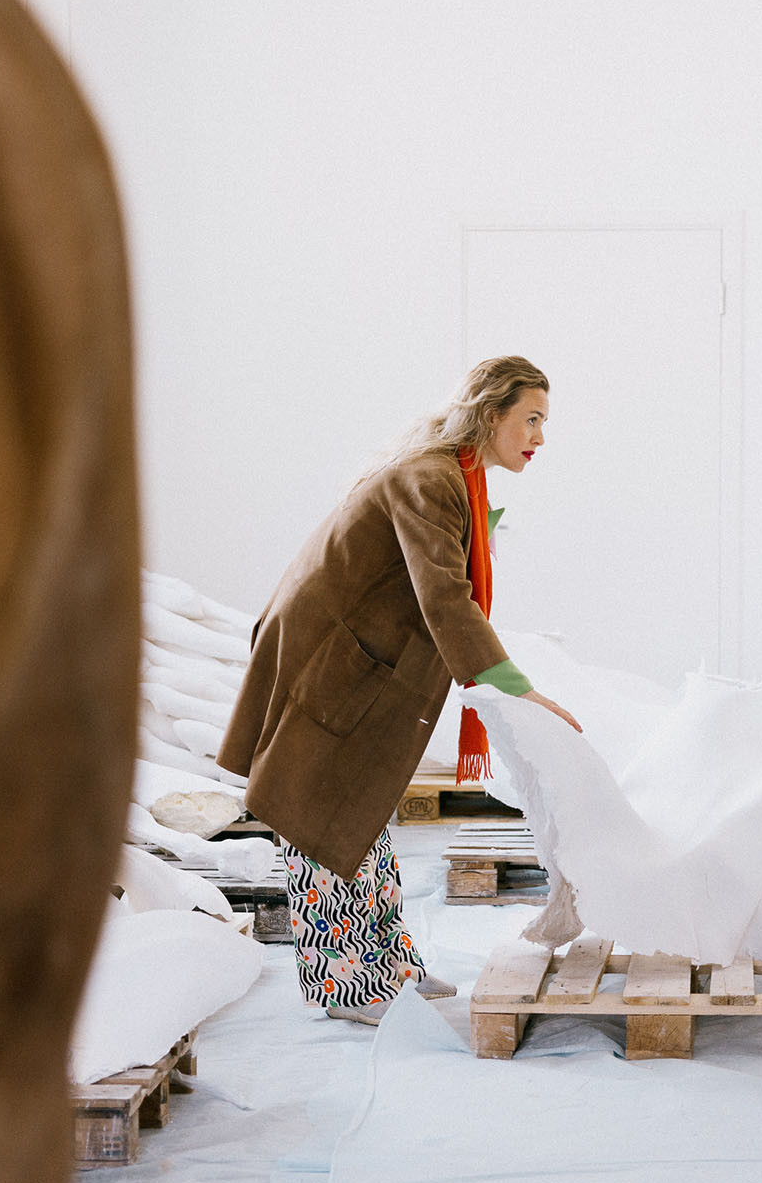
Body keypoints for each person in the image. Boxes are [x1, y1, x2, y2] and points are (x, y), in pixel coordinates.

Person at [218, 356, 582, 1024]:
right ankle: (349, 988)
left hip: (355, 660)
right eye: (530, 419)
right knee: (322, 819)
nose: (538, 437)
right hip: (327, 663)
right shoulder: (432, 479)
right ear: (492, 414)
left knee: (362, 816)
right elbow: (444, 596)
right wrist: (514, 687)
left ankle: (387, 965)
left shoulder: (457, 480)